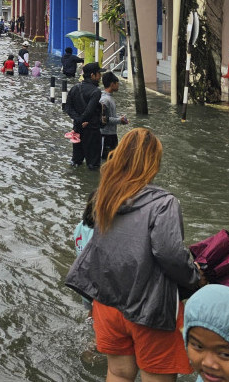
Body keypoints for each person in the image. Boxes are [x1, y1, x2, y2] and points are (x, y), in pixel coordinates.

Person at [65, 128, 202, 382]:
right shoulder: (164, 202)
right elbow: (169, 253)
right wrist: (194, 275)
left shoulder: (104, 196)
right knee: (155, 375)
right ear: (153, 163)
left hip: (106, 303)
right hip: (148, 308)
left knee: (118, 373)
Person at [66, 63, 104, 170]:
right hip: (91, 130)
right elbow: (89, 111)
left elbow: (67, 108)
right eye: (98, 74)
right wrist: (82, 120)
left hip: (77, 130)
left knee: (76, 161)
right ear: (92, 75)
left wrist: (77, 121)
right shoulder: (96, 91)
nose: (100, 76)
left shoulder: (74, 88)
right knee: (93, 164)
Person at [100, 71, 129, 160]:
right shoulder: (105, 99)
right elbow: (104, 119)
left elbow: (110, 115)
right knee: (106, 160)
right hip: (105, 135)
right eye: (117, 83)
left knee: (113, 160)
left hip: (112, 134)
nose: (118, 85)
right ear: (112, 84)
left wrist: (120, 118)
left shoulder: (110, 98)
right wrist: (119, 120)